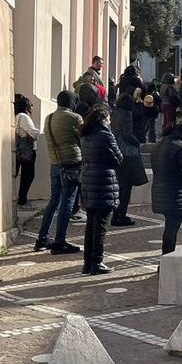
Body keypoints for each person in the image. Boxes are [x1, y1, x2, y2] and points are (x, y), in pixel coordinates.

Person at [36, 90, 83, 253]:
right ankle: (60, 241)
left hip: (55, 163)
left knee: (54, 201)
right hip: (71, 163)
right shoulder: (75, 118)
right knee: (67, 202)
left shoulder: (49, 118)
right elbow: (82, 139)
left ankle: (42, 238)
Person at [79, 105, 122, 274]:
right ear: (104, 119)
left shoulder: (85, 135)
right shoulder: (106, 135)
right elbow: (118, 158)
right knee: (101, 226)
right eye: (109, 119)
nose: (110, 122)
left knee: (91, 225)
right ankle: (97, 262)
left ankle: (87, 263)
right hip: (104, 183)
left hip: (88, 182)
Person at [151, 123, 182, 254]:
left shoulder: (159, 144)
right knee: (172, 228)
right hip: (175, 194)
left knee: (170, 226)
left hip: (160, 191)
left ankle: (166, 257)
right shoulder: (180, 147)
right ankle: (167, 258)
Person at [110, 93, 145, 226]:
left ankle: (115, 215)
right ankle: (121, 216)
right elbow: (127, 134)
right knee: (126, 188)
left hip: (115, 150)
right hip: (127, 153)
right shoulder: (127, 114)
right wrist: (136, 143)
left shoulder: (114, 113)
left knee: (118, 187)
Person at [14, 95, 40, 206]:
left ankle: (20, 198)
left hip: (18, 149)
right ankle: (22, 199)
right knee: (28, 175)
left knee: (18, 174)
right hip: (27, 150)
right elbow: (34, 133)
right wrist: (38, 131)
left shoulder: (16, 116)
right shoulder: (24, 116)